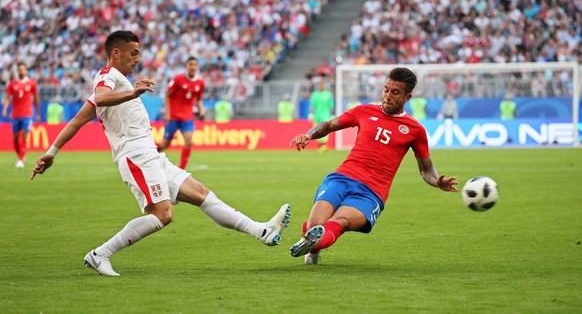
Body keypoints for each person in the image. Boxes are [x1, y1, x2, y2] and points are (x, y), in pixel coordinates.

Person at [31, 31, 291, 277]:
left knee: (202, 194)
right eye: (133, 53)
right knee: (163, 215)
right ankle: (101, 254)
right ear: (116, 53)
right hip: (137, 157)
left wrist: (51, 152)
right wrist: (132, 91)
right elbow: (101, 96)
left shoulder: (118, 85)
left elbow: (76, 121)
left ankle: (261, 231)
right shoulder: (107, 74)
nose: (137, 58)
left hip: (151, 156)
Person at [288, 67, 458, 265]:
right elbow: (328, 125)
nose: (387, 96)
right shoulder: (364, 111)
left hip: (371, 192)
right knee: (315, 224)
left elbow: (426, 170)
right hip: (341, 178)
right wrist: (308, 135)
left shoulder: (415, 130)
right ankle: (313, 246)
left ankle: (312, 243)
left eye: (395, 92)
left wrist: (437, 182)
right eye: (386, 89)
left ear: (407, 97)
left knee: (340, 222)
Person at [156, 57, 205, 170]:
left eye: (195, 64)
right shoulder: (178, 79)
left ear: (197, 67)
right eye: (190, 64)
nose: (193, 67)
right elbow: (167, 95)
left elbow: (198, 99)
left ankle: (182, 169)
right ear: (186, 66)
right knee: (165, 144)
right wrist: (167, 113)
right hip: (173, 116)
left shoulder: (200, 83)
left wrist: (201, 109)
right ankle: (147, 156)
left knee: (188, 141)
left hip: (187, 117)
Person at [1, 62, 41, 168]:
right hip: (15, 115)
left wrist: (38, 113)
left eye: (23, 69)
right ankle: (21, 156)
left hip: (27, 114)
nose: (21, 71)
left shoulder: (32, 83)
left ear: (26, 70)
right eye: (19, 69)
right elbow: (8, 98)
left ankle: (20, 159)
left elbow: (36, 98)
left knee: (24, 137)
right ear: (17, 71)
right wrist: (5, 109)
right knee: (15, 139)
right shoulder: (12, 84)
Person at [309, 79, 334, 152]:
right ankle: (321, 146)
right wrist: (310, 113)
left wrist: (332, 114)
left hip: (326, 115)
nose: (321, 86)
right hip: (317, 115)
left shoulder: (328, 94)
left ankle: (324, 145)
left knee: (324, 130)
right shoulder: (314, 94)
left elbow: (331, 105)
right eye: (319, 84)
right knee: (316, 130)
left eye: (322, 84)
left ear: (324, 85)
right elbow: (312, 105)